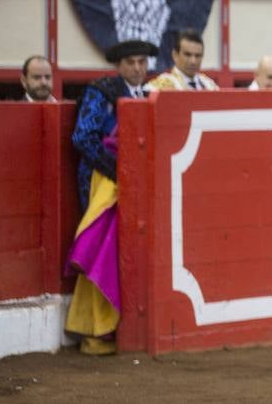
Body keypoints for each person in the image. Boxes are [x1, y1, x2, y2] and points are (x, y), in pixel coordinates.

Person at [67, 39, 156, 356]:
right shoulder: (101, 91)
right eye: (131, 62)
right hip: (101, 184)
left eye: (142, 63)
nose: (137, 68)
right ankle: (96, 328)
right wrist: (121, 175)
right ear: (119, 64)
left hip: (133, 186)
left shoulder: (149, 93)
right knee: (103, 248)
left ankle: (120, 326)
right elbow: (84, 138)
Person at [145, 29, 218, 91]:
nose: (193, 61)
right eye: (187, 55)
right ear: (175, 55)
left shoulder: (209, 84)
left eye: (198, 55)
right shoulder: (160, 86)